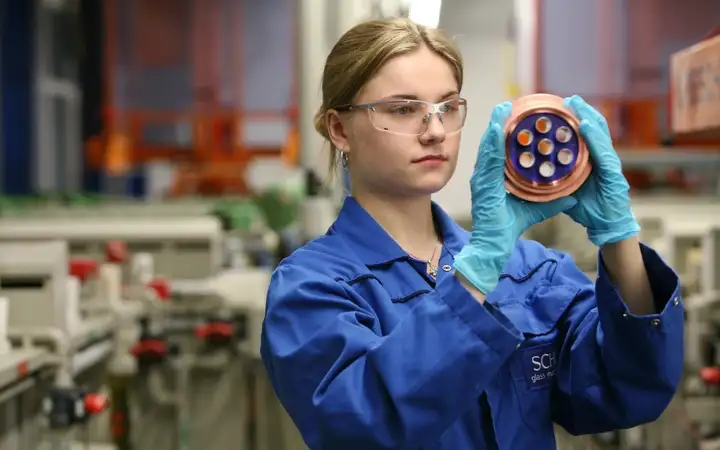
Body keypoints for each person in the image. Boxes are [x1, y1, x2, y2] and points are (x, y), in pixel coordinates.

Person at [260, 17, 684, 450]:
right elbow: (360, 425)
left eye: (446, 107)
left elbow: (627, 391)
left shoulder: (530, 272)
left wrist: (618, 236)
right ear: (339, 129)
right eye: (403, 109)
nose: (436, 132)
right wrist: (475, 277)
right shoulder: (311, 289)